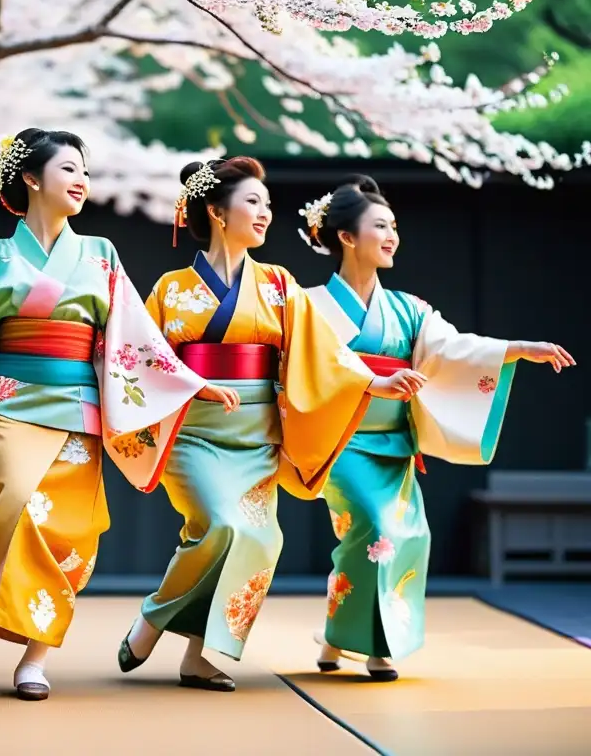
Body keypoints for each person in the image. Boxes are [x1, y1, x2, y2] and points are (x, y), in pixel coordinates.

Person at [0, 128, 235, 701]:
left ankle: (32, 659)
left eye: (86, 170)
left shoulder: (101, 255)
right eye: (68, 169)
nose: (82, 180)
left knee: (75, 538)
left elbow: (134, 338)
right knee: (21, 507)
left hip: (76, 409)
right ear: (32, 179)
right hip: (6, 405)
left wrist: (186, 382)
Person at [116, 158, 424, 691]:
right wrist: (193, 383)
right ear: (216, 211)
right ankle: (153, 615)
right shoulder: (171, 289)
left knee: (259, 538)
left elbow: (322, 353)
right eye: (252, 202)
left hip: (255, 436)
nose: (264, 213)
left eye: (268, 204)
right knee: (219, 524)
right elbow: (141, 358)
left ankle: (200, 656)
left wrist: (371, 383)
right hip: (194, 429)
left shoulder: (279, 285)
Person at [300, 175, 575, 681]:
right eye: (380, 225)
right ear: (344, 237)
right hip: (340, 441)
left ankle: (338, 635)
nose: (392, 236)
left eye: (395, 226)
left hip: (394, 446)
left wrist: (517, 349)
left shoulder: (409, 309)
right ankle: (379, 644)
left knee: (405, 535)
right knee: (375, 530)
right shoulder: (308, 305)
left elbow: (455, 349)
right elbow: (311, 368)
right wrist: (368, 381)